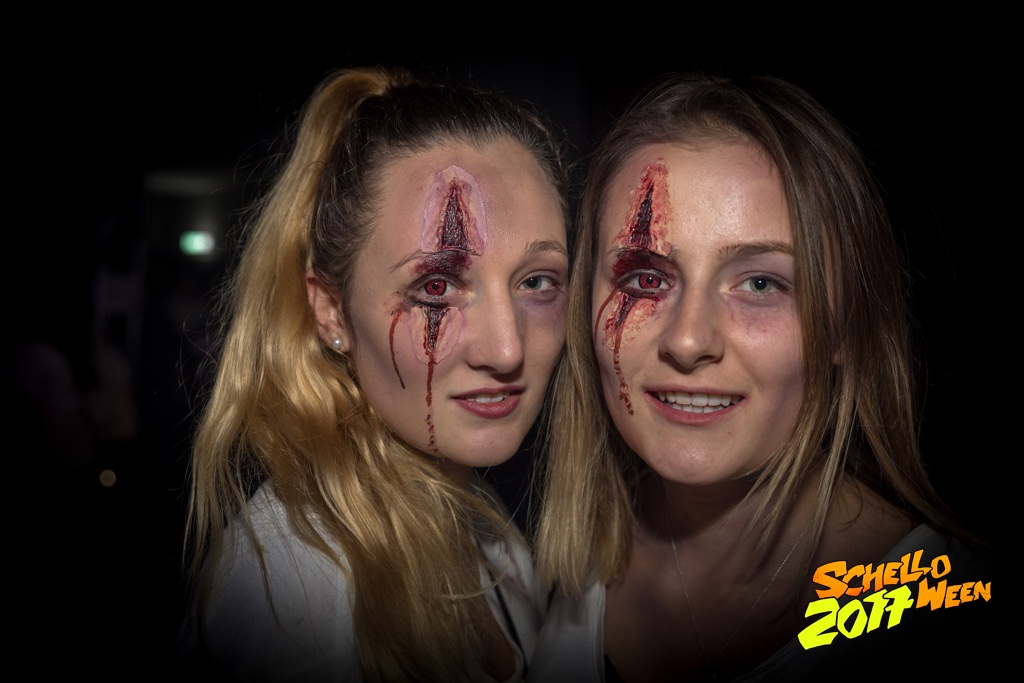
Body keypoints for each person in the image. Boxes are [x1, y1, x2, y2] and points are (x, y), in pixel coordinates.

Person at [531, 72, 996, 681]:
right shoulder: (543, 573)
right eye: (646, 278)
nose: (688, 340)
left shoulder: (936, 602)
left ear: (843, 327)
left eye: (760, 283)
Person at [176, 66, 571, 682]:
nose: (507, 348)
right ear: (331, 311)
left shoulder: (480, 523)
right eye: (436, 287)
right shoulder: (294, 590)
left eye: (537, 281)